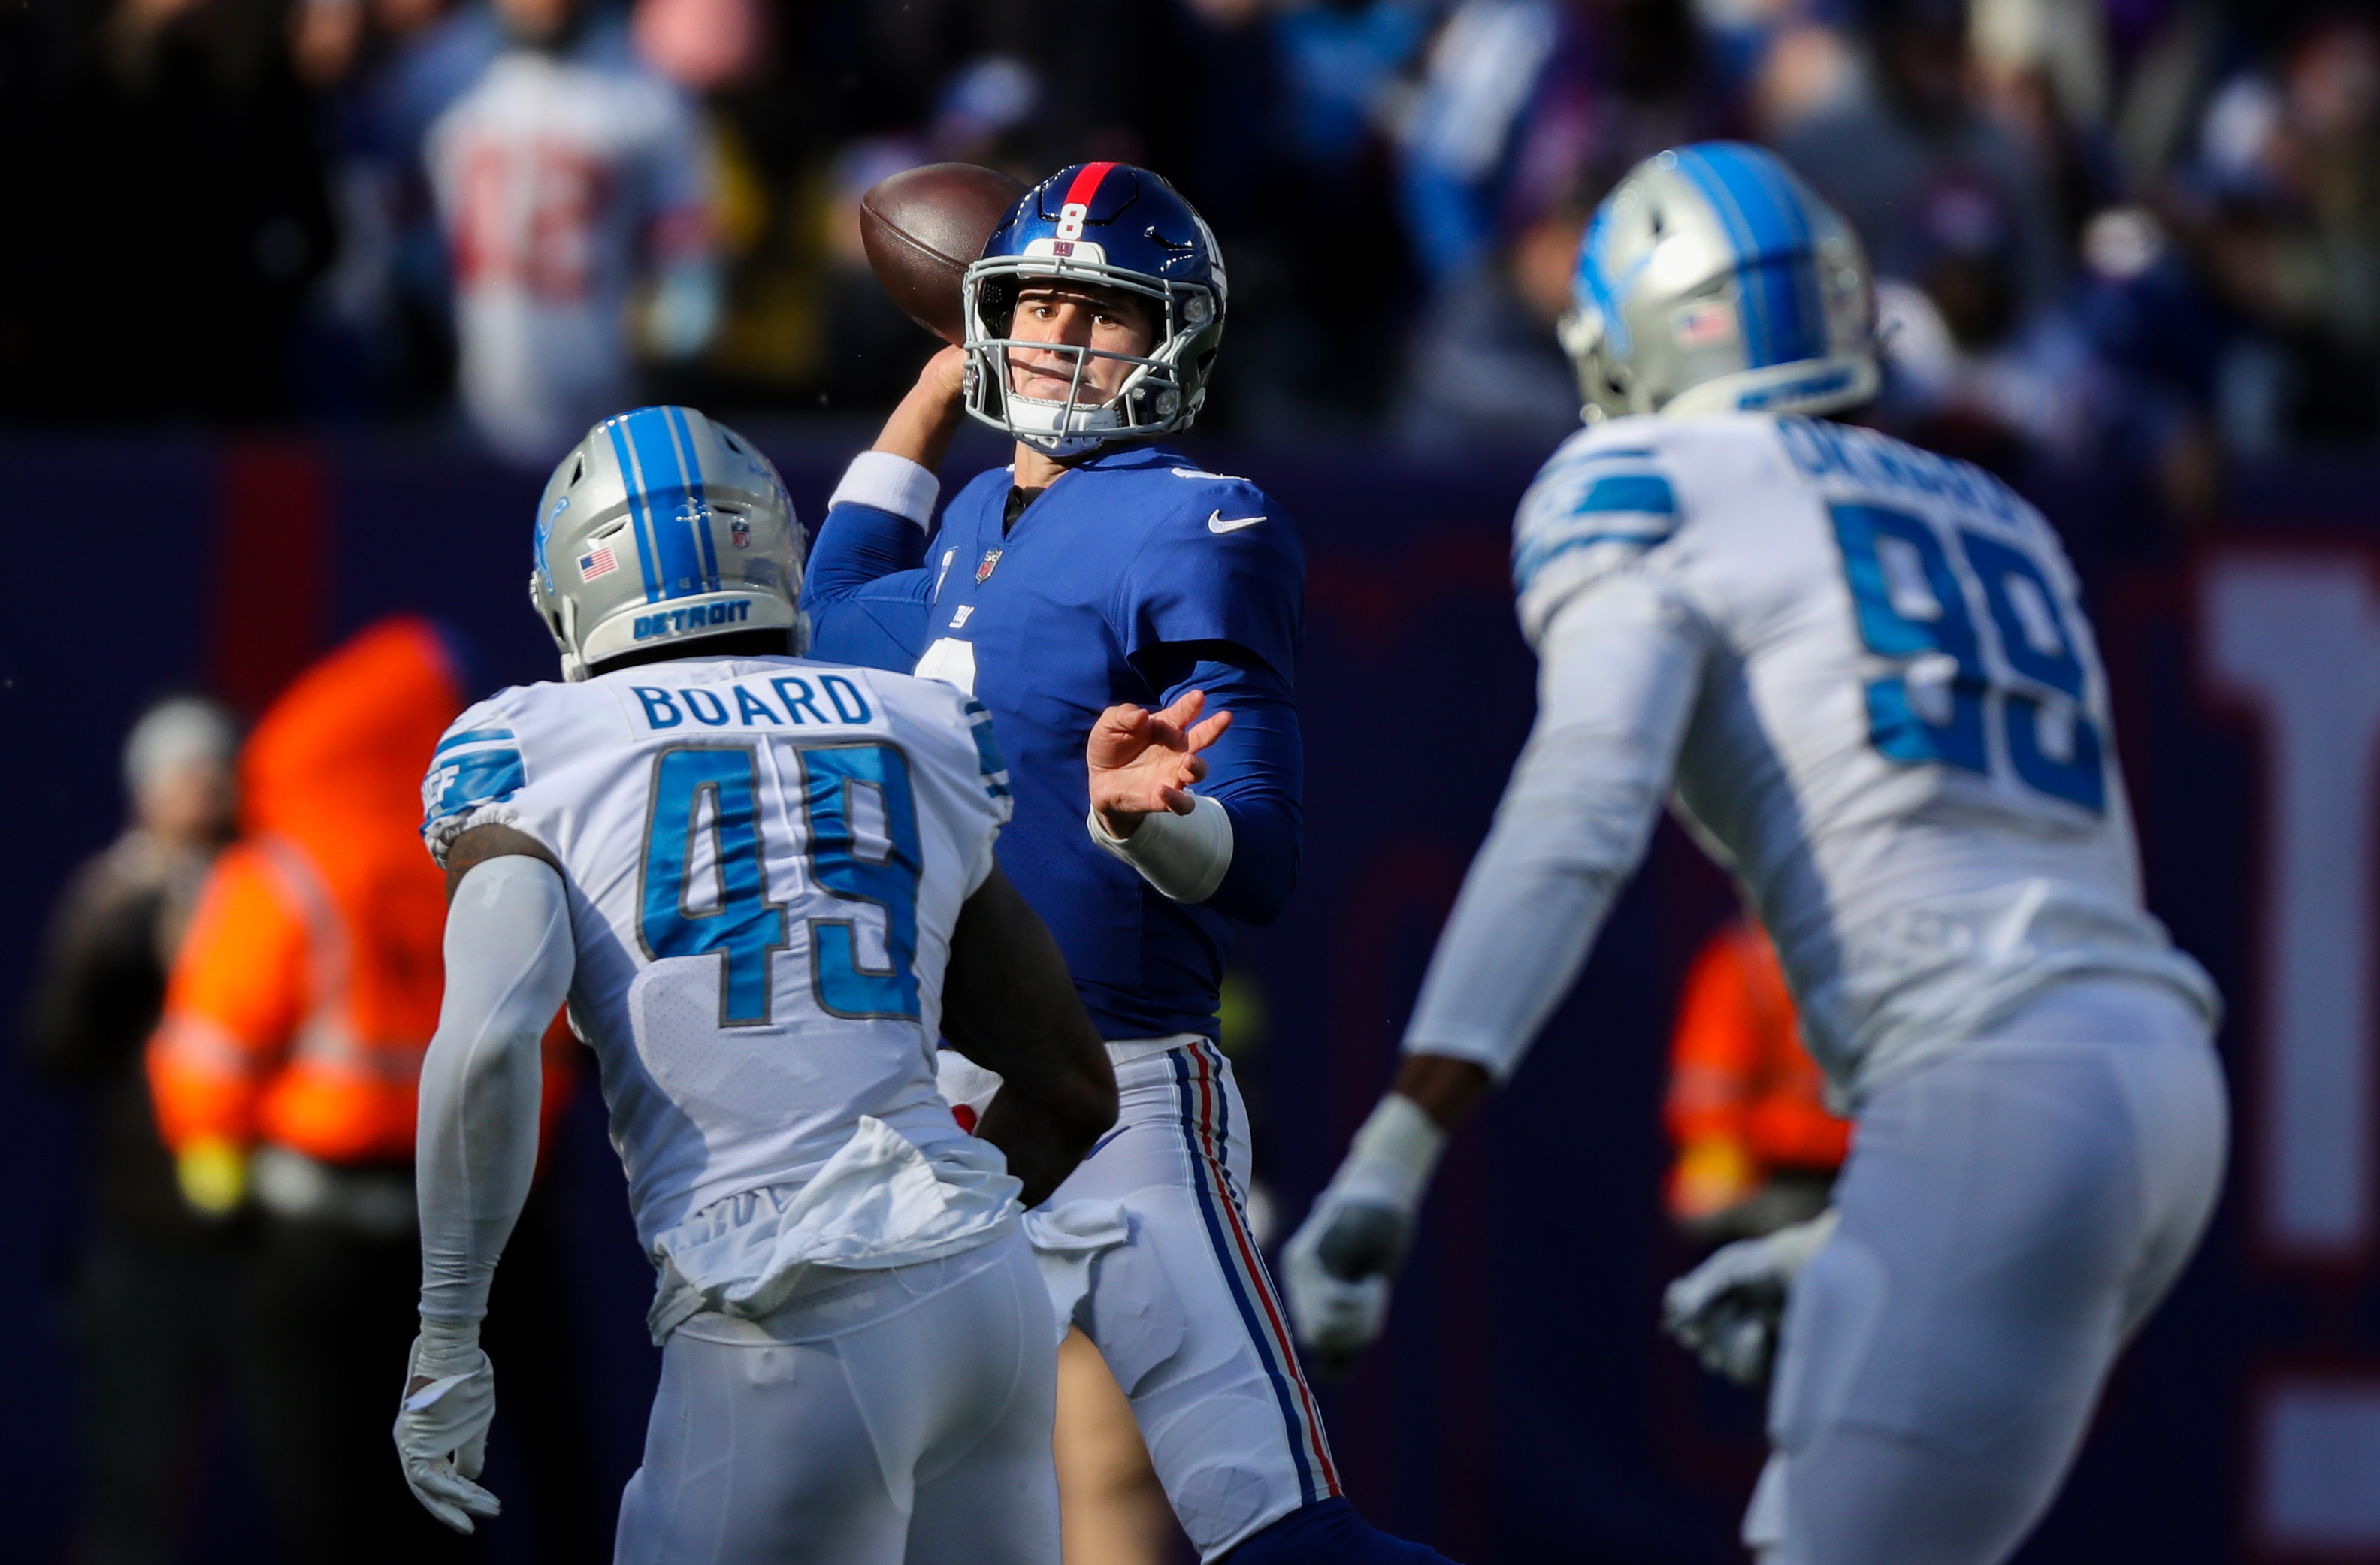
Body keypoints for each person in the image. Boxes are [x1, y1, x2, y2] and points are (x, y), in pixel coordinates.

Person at [1282, 141, 2227, 1565]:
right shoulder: (2003, 517)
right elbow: (2019, 903)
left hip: (1990, 1097)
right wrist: (1872, 1224)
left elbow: (1577, 816)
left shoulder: (1645, 477)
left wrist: (1394, 1150)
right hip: (2155, 1081)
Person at [803, 163, 1450, 1564]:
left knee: (1273, 1534)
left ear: (1171, 343)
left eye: (1098, 314)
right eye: (1031, 302)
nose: (1055, 338)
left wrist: (1144, 815)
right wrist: (930, 386)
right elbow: (839, 610)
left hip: (1119, 1098)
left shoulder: (1196, 517)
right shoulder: (975, 516)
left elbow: (1263, 855)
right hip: (941, 1114)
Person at [395, 404, 1122, 1562]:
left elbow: (487, 1047)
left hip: (785, 1307)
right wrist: (927, 1243)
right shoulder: (913, 721)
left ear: (573, 594)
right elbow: (1077, 1087)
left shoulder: (538, 746)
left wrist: (447, 1327)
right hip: (983, 1302)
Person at [145, 618, 564, 1563]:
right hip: (473, 1233)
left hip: (311, 1242)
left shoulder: (281, 868)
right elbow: (543, 1047)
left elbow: (206, 1056)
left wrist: (218, 1185)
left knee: (332, 1504)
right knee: (454, 1503)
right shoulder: (489, 865)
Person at [24, 696, 240, 1565]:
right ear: (146, 788)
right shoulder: (108, 893)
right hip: (144, 1233)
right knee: (132, 1473)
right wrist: (112, 945)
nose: (208, 785)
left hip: (268, 1235)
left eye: (218, 766)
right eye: (187, 769)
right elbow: (55, 1049)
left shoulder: (269, 887)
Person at [425, 0, 717, 460]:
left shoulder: (647, 92)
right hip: (467, 411)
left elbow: (689, 280)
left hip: (603, 411)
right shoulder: (439, 77)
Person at [1662, 914, 1849, 1243]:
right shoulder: (1747, 964)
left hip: (1870, 1171)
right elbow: (1709, 1104)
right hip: (1778, 1179)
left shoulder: (1900, 959)